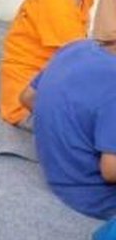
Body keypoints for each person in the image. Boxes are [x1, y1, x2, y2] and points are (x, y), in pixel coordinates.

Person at [29, 36, 116, 220]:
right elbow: (111, 171)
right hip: (96, 195)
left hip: (57, 170)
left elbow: (27, 98)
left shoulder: (77, 47)